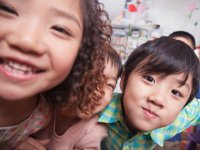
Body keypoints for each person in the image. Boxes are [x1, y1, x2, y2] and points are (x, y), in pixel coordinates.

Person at [0, 0, 111, 149]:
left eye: (59, 29)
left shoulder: (40, 117)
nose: (27, 41)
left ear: (80, 53)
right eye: (7, 9)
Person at [98, 36, 200, 149]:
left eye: (176, 92)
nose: (158, 99)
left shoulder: (177, 120)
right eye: (149, 79)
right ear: (124, 79)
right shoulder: (99, 104)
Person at [16, 45, 123, 150]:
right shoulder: (41, 103)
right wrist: (15, 142)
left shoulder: (93, 131)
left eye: (110, 85)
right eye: (94, 78)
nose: (100, 90)